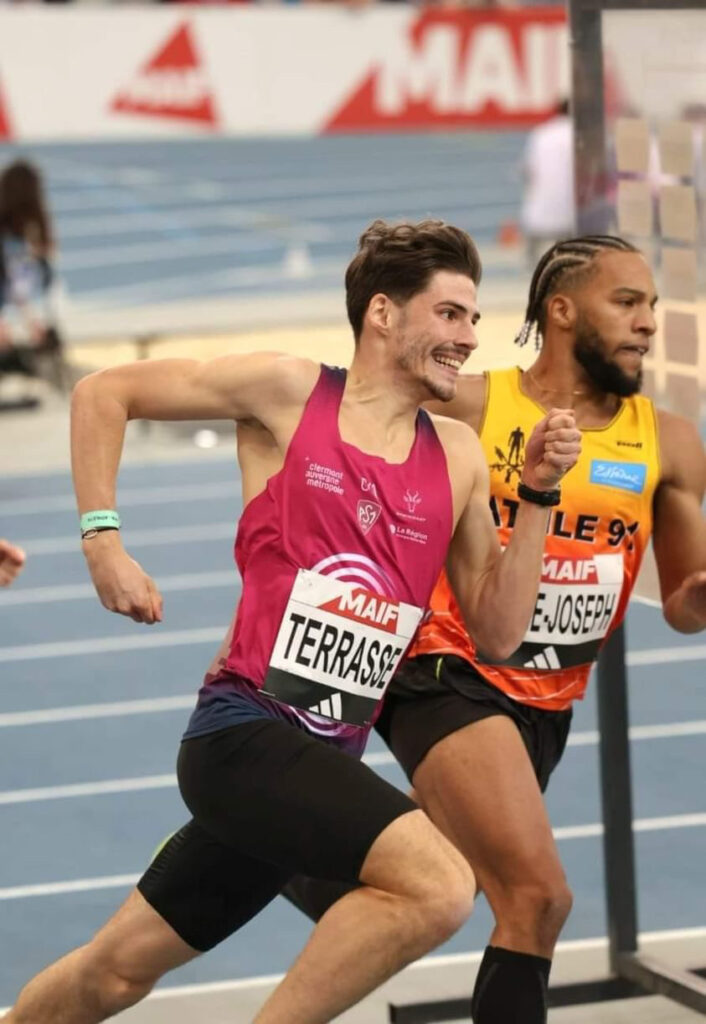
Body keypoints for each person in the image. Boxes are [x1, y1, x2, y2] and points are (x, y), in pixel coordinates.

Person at [4, 219, 580, 1024]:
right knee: (440, 885)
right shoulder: (290, 392)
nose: (468, 338)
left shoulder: (456, 455)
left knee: (115, 973)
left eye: (474, 319)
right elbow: (104, 392)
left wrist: (541, 496)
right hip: (243, 737)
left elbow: (498, 633)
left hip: (314, 766)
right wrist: (104, 541)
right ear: (383, 313)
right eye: (450, 314)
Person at [283, 234, 706, 1024]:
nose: (649, 321)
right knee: (537, 898)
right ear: (562, 310)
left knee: (435, 881)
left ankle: (276, 851)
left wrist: (699, 597)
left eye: (651, 305)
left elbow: (684, 606)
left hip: (547, 701)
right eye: (627, 302)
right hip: (448, 669)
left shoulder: (670, 443)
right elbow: (348, 428)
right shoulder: (472, 405)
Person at [0, 159, 63, 387]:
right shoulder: (28, 233)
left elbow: (34, 283)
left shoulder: (34, 232)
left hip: (26, 324)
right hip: (17, 325)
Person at [520, 99, 575, 266]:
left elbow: (529, 170)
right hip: (570, 215)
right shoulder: (580, 135)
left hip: (539, 215)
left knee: (532, 260)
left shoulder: (541, 134)